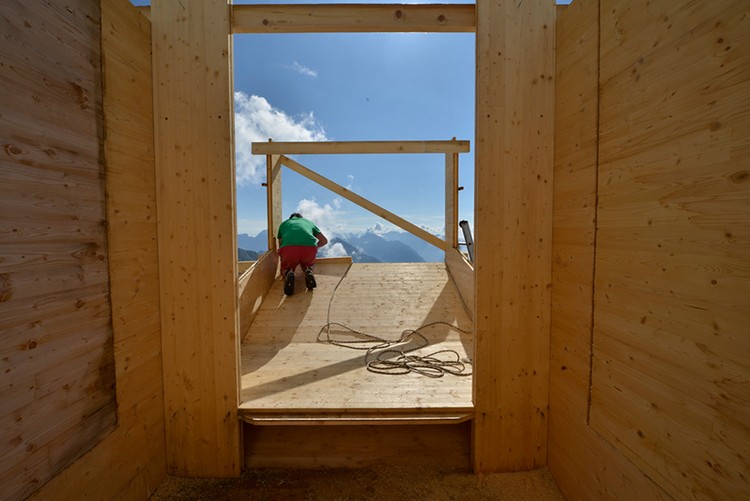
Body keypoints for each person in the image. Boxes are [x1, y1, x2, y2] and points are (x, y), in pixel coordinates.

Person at [277, 212, 328, 296]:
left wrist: (283, 265)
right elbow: (324, 241)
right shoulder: (309, 222)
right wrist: (315, 248)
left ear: (290, 218)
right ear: (301, 218)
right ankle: (308, 270)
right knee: (308, 265)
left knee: (285, 269)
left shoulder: (284, 224)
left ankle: (288, 273)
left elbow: (281, 245)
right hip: (309, 248)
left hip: (289, 249)